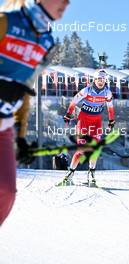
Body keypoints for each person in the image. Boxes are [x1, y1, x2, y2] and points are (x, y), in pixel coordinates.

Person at [0, 0, 69, 226]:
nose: (67, 3)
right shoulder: (6, 21)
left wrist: (21, 137)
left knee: (6, 192)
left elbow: (25, 90)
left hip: (4, 126)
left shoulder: (46, 41)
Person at [62, 70, 115, 184]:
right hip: (84, 122)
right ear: (94, 80)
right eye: (99, 79)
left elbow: (110, 108)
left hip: (96, 123)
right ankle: (70, 175)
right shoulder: (87, 90)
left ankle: (91, 174)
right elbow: (74, 101)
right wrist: (68, 114)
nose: (101, 82)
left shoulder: (107, 93)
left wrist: (111, 121)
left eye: (103, 80)